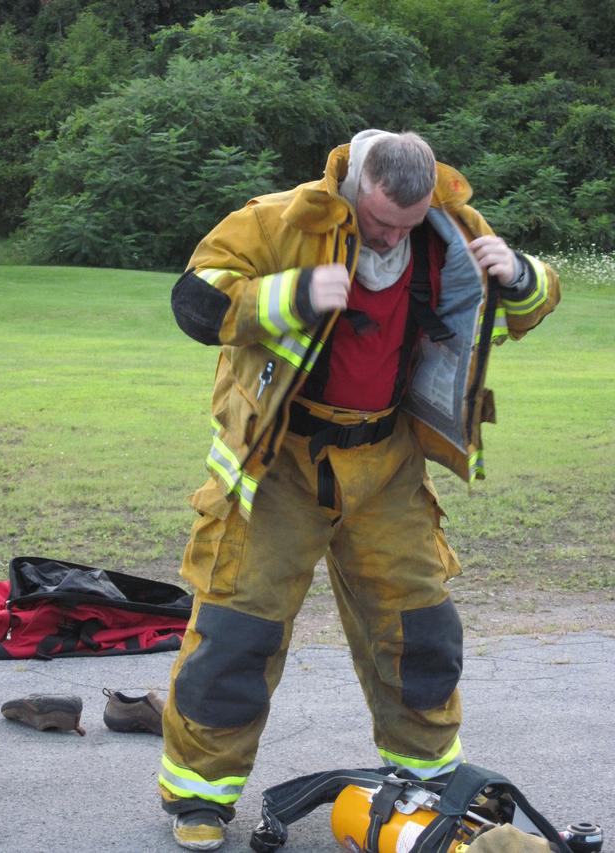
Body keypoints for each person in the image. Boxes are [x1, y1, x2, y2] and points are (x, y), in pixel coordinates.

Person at [160, 129, 560, 850]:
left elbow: (523, 308)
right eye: (378, 221)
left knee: (421, 627)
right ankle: (200, 795)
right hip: (280, 459)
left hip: (388, 459)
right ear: (355, 186)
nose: (390, 236)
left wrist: (523, 275)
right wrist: (293, 293)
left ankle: (426, 778)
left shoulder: (449, 228)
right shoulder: (280, 220)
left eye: (405, 225)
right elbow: (194, 301)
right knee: (237, 631)